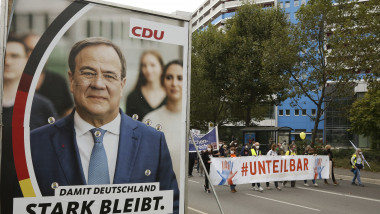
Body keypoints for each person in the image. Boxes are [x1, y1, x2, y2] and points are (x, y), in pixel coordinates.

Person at [29, 37, 179, 212]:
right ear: (71, 80)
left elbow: (170, 207)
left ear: (122, 85)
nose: (98, 84)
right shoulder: (35, 145)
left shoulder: (153, 143)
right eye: (88, 73)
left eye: (109, 75)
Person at [1, 35, 58, 214]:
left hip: (25, 201)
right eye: (3, 55)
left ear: (27, 60)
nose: (7, 61)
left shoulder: (42, 107)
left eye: (14, 56)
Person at [143, 60, 183, 182]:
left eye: (180, 78)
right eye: (169, 77)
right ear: (163, 81)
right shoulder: (151, 119)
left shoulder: (191, 120)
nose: (174, 83)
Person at [22, 33, 74, 117]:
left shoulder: (58, 81)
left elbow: (67, 111)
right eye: (30, 49)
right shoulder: (13, 81)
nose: (36, 54)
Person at [126, 50, 167, 121]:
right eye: (144, 65)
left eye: (152, 65)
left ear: (161, 67)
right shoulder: (133, 97)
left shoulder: (171, 95)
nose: (148, 70)